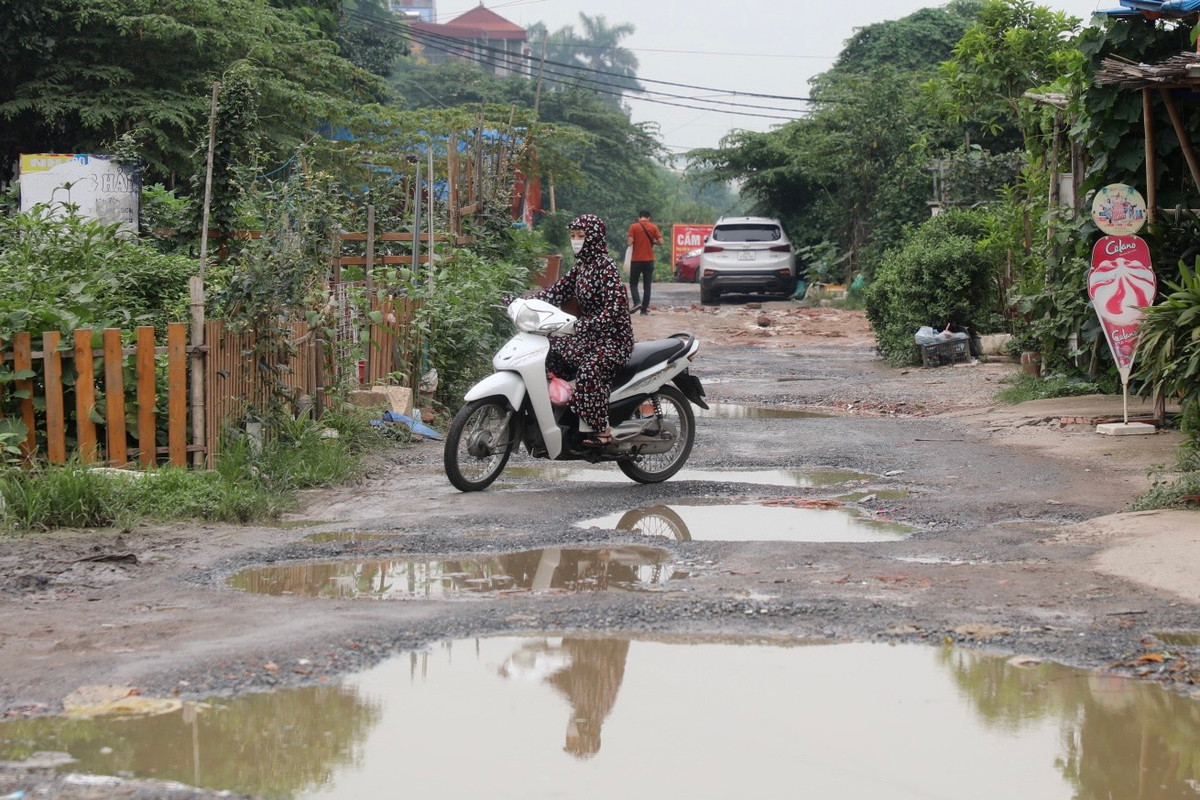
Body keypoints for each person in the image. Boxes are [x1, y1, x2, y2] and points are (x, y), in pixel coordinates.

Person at [530, 213, 634, 447]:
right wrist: (524, 302)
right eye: (573, 236)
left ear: (594, 238)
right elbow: (556, 292)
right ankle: (566, 421)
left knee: (589, 371)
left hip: (613, 340)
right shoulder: (582, 266)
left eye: (581, 236)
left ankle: (601, 430)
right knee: (550, 354)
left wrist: (586, 325)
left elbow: (615, 309)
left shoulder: (605, 267)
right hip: (588, 336)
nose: (576, 240)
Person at [626, 209, 663, 315]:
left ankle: (637, 302)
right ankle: (644, 310)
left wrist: (632, 239)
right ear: (648, 218)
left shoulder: (633, 227)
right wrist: (654, 242)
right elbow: (661, 242)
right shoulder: (653, 227)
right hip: (649, 261)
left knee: (633, 283)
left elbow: (629, 242)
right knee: (647, 286)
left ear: (639, 217)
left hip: (636, 260)